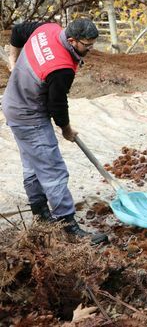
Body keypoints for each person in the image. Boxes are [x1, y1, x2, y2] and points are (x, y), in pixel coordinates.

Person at [2, 18, 108, 244]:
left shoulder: (47, 29)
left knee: (33, 163)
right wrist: (66, 130)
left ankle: (41, 215)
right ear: (71, 40)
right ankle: (68, 226)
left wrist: (14, 60)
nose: (90, 49)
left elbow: (18, 31)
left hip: (12, 103)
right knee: (53, 169)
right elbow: (56, 106)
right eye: (86, 45)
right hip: (29, 114)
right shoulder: (61, 69)